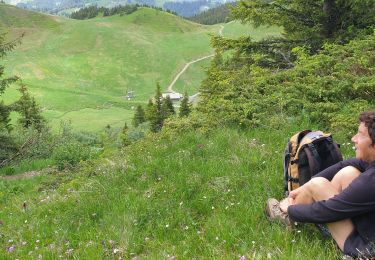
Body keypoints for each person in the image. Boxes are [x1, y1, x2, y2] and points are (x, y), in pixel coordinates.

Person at [266, 111, 375, 258]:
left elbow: (327, 210)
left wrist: (292, 209)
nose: (353, 138)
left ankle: (285, 214)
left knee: (318, 185)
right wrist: (305, 187)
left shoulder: (371, 181)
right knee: (347, 172)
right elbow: (346, 164)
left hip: (363, 248)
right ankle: (292, 205)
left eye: (361, 135)